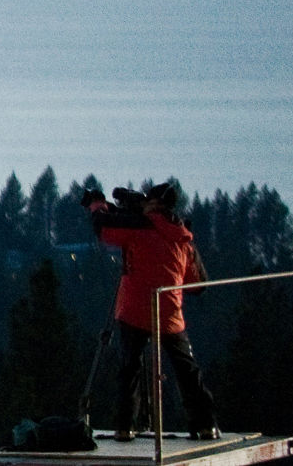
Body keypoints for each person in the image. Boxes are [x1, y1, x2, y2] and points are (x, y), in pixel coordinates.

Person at [81, 182, 218, 441]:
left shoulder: (139, 225)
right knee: (186, 370)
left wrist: (99, 206)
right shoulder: (182, 235)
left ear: (154, 203)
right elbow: (197, 284)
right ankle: (205, 424)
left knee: (129, 369)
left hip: (134, 309)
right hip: (169, 313)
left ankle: (125, 426)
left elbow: (104, 229)